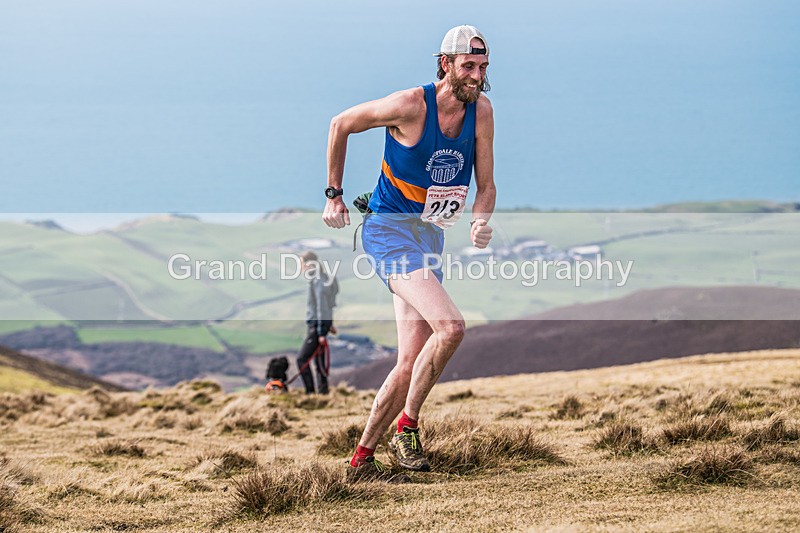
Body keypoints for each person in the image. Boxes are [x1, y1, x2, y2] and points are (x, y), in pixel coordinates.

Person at [322, 25, 496, 472]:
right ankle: (408, 429)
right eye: (468, 66)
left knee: (408, 361)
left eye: (482, 67)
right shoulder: (411, 105)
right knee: (452, 328)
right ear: (446, 64)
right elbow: (340, 124)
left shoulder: (482, 112)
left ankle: (361, 458)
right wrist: (333, 194)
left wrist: (480, 220)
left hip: (429, 236)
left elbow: (486, 184)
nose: (476, 76)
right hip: (388, 231)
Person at [296, 250, 338, 394]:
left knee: (301, 359)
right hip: (319, 325)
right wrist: (329, 324)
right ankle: (323, 393)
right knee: (319, 361)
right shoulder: (320, 278)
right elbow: (328, 303)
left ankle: (310, 393)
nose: (300, 267)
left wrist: (321, 331)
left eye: (301, 263)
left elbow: (322, 305)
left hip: (316, 326)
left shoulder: (318, 279)